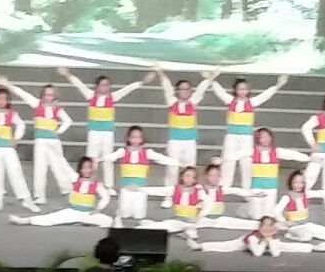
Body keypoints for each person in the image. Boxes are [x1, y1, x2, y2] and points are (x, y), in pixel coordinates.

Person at [59, 67, 153, 188]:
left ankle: (109, 186)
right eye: (103, 85)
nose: (106, 87)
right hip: (94, 133)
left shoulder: (113, 97)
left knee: (108, 160)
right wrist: (67, 74)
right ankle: (89, 184)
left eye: (108, 85)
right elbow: (79, 84)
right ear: (97, 86)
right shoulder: (90, 95)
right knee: (92, 159)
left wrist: (142, 82)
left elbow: (127, 89)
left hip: (108, 133)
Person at [207, 73, 289, 191]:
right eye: (240, 89)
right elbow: (220, 91)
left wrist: (278, 85)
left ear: (248, 90)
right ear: (235, 90)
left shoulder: (252, 102)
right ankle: (224, 188)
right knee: (228, 162)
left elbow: (265, 95)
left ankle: (247, 189)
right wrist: (211, 79)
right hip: (231, 137)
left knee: (246, 163)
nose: (242, 91)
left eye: (245, 89)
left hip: (246, 138)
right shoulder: (230, 101)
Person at [2, 78, 75, 205]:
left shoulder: (57, 108)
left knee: (58, 166)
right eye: (46, 94)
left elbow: (68, 121)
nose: (48, 97)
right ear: (42, 95)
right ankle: (39, 195)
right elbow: (22, 94)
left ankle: (67, 189)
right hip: (40, 141)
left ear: (54, 96)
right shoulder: (37, 104)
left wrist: (58, 131)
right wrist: (8, 84)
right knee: (40, 168)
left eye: (51, 95)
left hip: (53, 142)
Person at [154, 65, 218, 202]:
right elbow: (166, 86)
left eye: (187, 89)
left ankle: (191, 195)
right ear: (177, 91)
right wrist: (160, 73)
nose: (185, 91)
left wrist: (211, 77)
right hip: (175, 141)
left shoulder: (193, 102)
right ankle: (169, 196)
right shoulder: (172, 102)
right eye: (182, 89)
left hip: (190, 142)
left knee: (190, 169)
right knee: (172, 169)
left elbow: (201, 89)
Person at [0, 87, 37, 213]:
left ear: (8, 101)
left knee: (15, 171)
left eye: (4, 99)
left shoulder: (12, 113)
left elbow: (21, 124)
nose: (1, 101)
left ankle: (26, 199)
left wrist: (16, 138)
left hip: (8, 148)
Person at [11, 156, 115, 227]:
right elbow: (65, 166)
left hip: (88, 214)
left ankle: (85, 222)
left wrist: (98, 209)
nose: (87, 170)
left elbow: (105, 197)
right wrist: (58, 156)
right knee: (51, 218)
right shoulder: (75, 179)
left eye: (89, 168)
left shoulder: (96, 184)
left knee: (108, 221)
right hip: (73, 211)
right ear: (80, 169)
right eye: (84, 168)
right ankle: (26, 220)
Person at [105, 125, 180, 223]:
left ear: (142, 139)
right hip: (125, 188)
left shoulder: (147, 153)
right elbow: (109, 157)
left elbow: (162, 159)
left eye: (139, 137)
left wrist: (179, 163)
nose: (136, 140)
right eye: (133, 137)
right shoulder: (122, 151)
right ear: (128, 138)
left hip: (140, 188)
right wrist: (96, 159)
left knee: (138, 215)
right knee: (124, 214)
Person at [245, 127, 312, 218]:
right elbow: (236, 155)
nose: (266, 139)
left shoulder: (276, 151)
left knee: (269, 214)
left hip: (271, 187)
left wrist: (308, 158)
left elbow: (292, 155)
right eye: (262, 137)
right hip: (256, 187)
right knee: (255, 215)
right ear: (258, 138)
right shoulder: (252, 151)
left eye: (268, 137)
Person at [187, 215, 325, 255]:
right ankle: (199, 246)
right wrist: (264, 241)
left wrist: (270, 240)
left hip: (265, 241)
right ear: (259, 227)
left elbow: (276, 253)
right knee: (227, 245)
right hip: (247, 244)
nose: (268, 228)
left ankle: (314, 248)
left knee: (288, 246)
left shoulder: (273, 235)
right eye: (265, 225)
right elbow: (257, 253)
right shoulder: (252, 237)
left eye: (271, 226)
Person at [196, 160, 269, 231]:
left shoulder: (221, 189)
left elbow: (237, 191)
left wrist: (253, 194)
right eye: (212, 175)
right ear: (206, 176)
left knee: (251, 224)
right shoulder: (198, 188)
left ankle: (267, 226)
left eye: (217, 176)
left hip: (217, 219)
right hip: (201, 218)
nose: (215, 178)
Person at [137, 166, 206, 236]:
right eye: (187, 176)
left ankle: (152, 224)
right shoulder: (174, 189)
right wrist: (139, 189)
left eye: (193, 177)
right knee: (159, 228)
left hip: (193, 223)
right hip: (177, 221)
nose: (190, 179)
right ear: (181, 177)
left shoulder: (199, 191)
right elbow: (157, 190)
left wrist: (199, 216)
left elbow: (207, 204)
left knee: (192, 234)